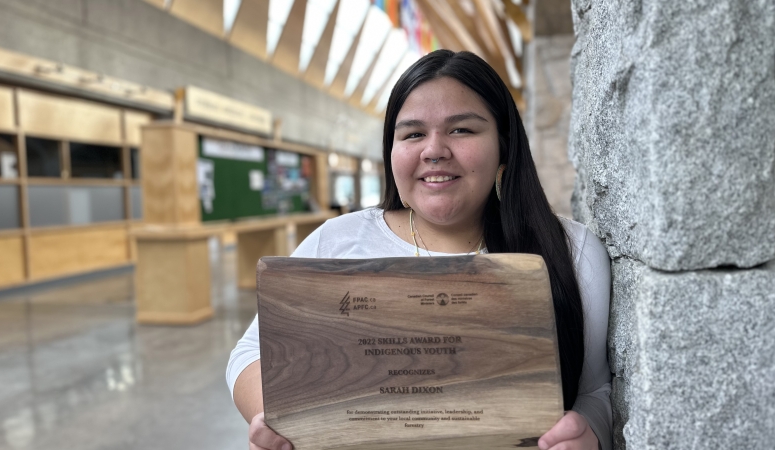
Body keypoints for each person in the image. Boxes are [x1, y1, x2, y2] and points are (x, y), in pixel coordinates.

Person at [227, 50, 612, 450]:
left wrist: (589, 433)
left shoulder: (572, 251)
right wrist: (278, 423)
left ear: (504, 143)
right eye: (412, 134)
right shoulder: (335, 243)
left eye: (461, 130)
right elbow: (251, 352)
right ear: (390, 152)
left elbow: (595, 389)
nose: (434, 150)